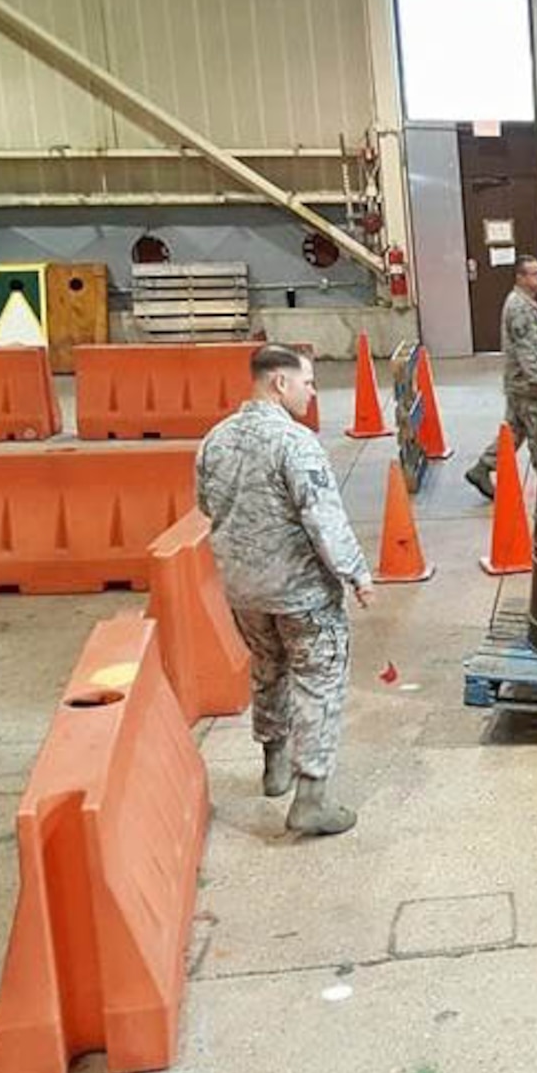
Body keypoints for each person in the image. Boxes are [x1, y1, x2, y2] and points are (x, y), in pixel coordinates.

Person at [197, 345, 374, 835]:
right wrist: (356, 573)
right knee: (319, 678)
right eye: (308, 383)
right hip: (300, 593)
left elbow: (206, 505)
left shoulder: (216, 439)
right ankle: (312, 795)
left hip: (243, 590)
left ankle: (274, 766)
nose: (312, 392)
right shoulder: (296, 443)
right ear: (279, 383)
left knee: (268, 667)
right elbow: (323, 518)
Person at [465, 256, 537, 499]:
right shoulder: (520, 308)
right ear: (521, 278)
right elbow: (528, 354)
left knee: (514, 432)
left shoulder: (525, 303)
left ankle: (482, 468)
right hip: (527, 385)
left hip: (517, 383)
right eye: (535, 273)